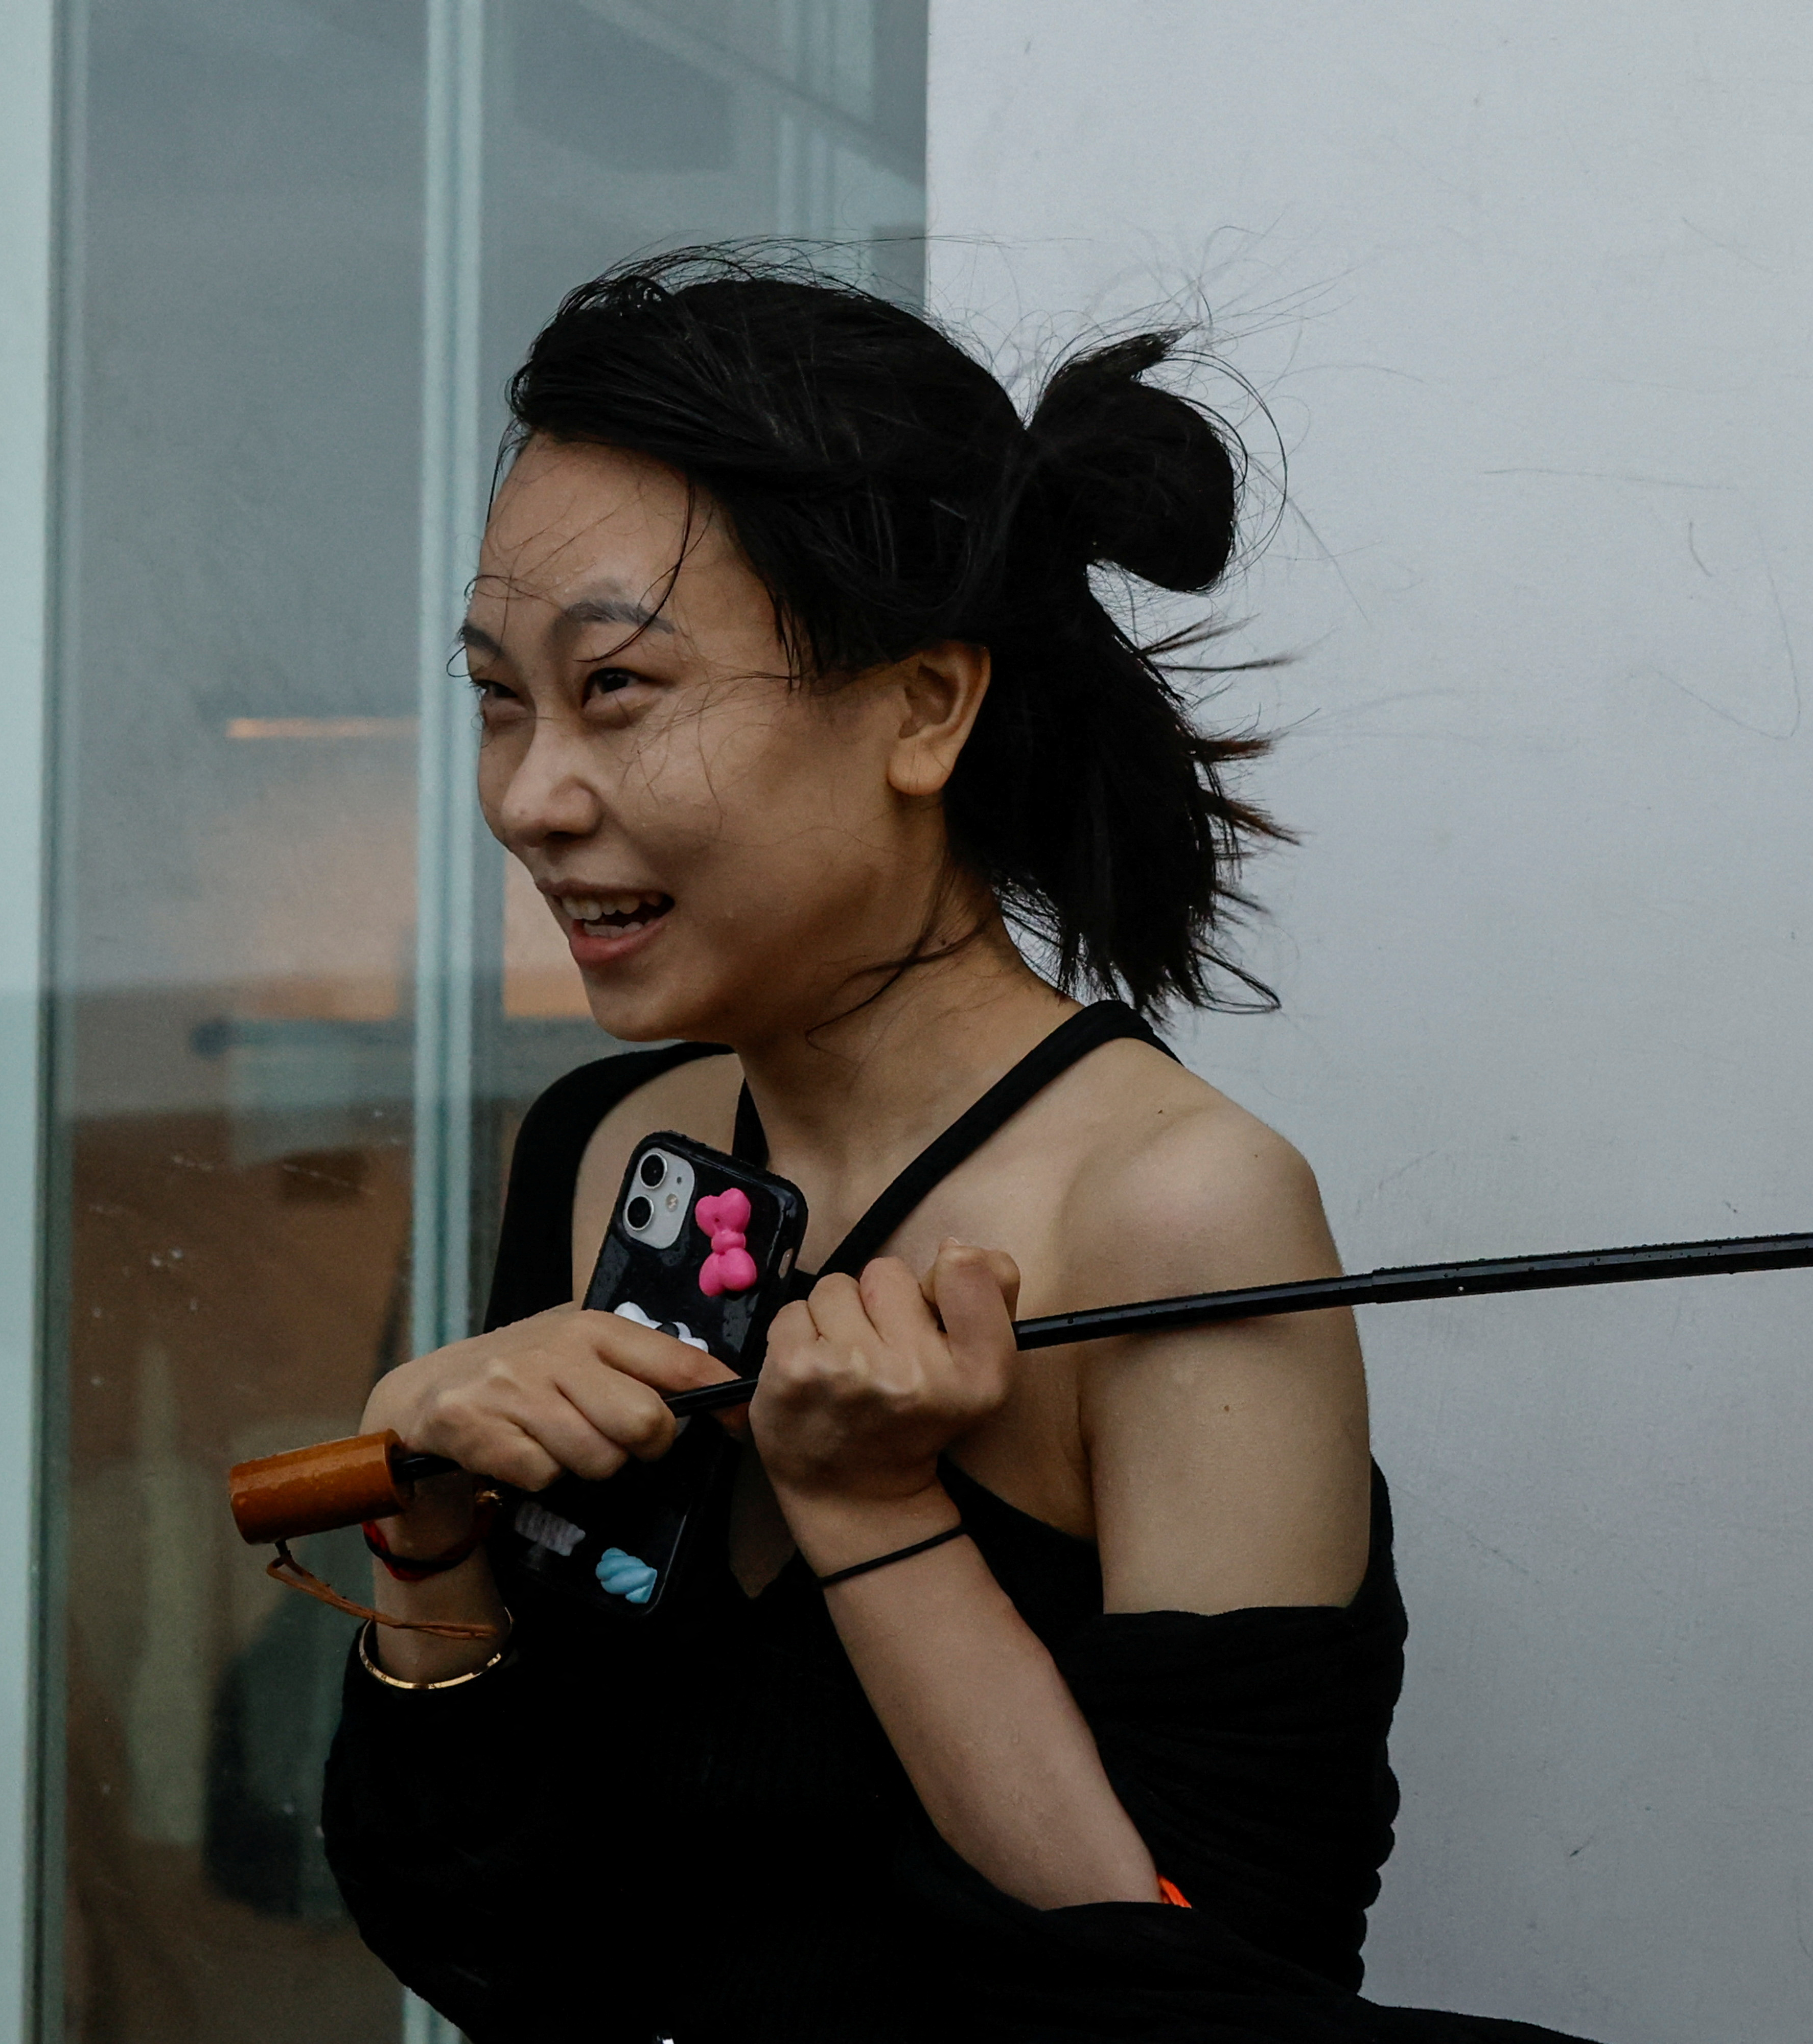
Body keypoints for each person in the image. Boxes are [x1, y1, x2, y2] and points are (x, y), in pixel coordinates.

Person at [321, 250, 1586, 2044]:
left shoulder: (1176, 1210)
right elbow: (486, 1930)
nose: (531, 797)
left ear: (923, 707)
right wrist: (428, 1545)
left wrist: (873, 1515)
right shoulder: (610, 1148)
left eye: (616, 690)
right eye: (497, 697)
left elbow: (1213, 1987)